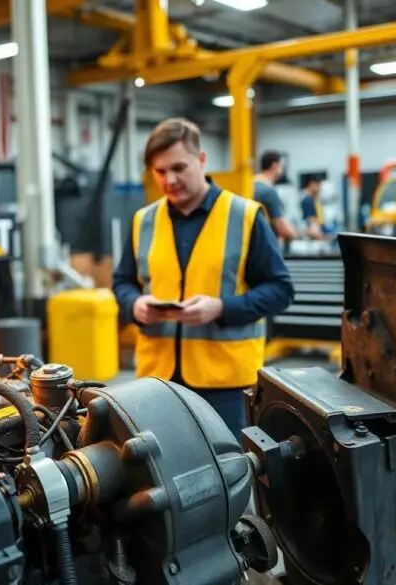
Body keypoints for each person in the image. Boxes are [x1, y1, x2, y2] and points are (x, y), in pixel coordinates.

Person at [112, 118, 294, 440]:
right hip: (157, 383)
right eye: (160, 171)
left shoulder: (245, 216)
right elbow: (122, 282)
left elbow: (281, 290)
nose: (169, 180)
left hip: (226, 386)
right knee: (164, 480)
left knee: (229, 477)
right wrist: (134, 304)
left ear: (202, 160)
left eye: (179, 167)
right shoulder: (143, 221)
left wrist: (221, 308)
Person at [253, 150, 297, 243]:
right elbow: (284, 230)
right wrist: (296, 234)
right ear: (274, 166)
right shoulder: (268, 191)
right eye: (281, 166)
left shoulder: (250, 185)